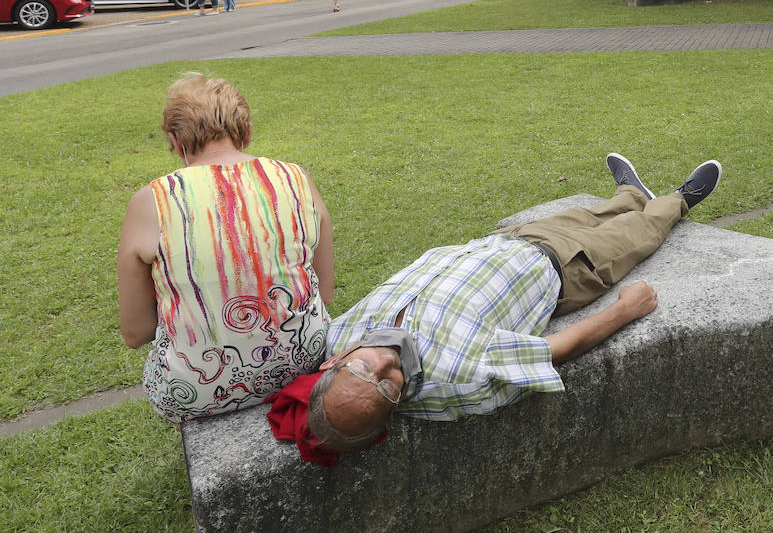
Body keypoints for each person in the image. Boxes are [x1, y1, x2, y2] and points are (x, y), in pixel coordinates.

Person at [265, 154, 721, 463]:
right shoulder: (459, 380)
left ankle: (628, 194)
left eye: (365, 370)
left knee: (587, 215)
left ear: (334, 363)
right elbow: (552, 351)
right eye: (388, 387)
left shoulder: (340, 335)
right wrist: (625, 310)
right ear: (396, 405)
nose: (386, 363)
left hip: (505, 244)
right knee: (636, 234)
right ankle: (677, 201)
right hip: (568, 271)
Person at [117, 73, 335, 422]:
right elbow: (324, 291)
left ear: (175, 141)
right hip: (305, 361)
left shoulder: (151, 202)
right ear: (246, 133)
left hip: (194, 392)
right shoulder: (295, 178)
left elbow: (135, 332)